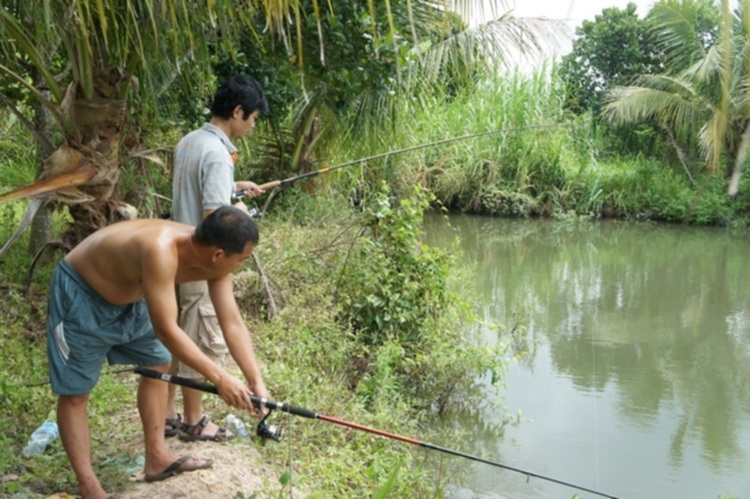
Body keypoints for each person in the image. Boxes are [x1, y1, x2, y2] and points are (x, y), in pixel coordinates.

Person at [46, 206, 270, 499]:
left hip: (132, 296)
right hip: (82, 296)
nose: (241, 265)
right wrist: (220, 377)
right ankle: (89, 487)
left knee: (158, 363)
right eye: (241, 260)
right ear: (218, 254)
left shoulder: (216, 261)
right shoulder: (161, 249)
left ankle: (156, 457)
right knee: (75, 394)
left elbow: (232, 322)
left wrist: (256, 381)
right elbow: (167, 330)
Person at [168, 74, 269, 441]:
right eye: (253, 118)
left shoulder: (190, 141)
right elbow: (215, 221)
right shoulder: (219, 154)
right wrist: (238, 207)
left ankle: (168, 415)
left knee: (175, 338)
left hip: (177, 254)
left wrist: (236, 189)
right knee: (199, 339)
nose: (253, 126)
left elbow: (201, 191)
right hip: (203, 260)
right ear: (238, 111)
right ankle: (194, 421)